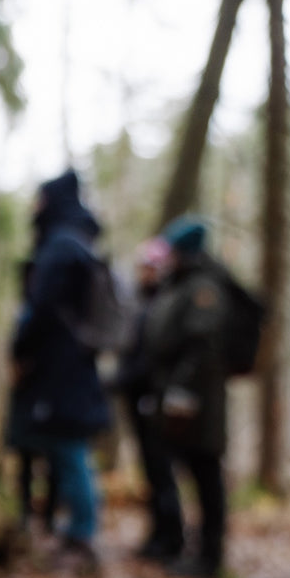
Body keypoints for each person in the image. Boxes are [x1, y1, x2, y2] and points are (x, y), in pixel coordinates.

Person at [4, 169, 112, 564]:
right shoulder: (76, 243)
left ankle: (82, 535)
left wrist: (21, 347)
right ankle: (77, 531)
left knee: (69, 449)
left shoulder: (62, 247)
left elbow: (42, 307)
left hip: (60, 370)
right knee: (68, 449)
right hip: (70, 368)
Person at [144, 215, 232, 578]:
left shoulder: (204, 287)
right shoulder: (181, 284)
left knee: (206, 475)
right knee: (187, 472)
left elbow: (201, 346)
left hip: (200, 404)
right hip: (179, 398)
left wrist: (181, 393)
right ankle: (185, 545)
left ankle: (210, 557)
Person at [112, 236, 184, 561]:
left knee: (162, 471)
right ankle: (158, 536)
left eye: (151, 267)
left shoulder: (164, 306)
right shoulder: (141, 304)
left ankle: (171, 539)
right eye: (143, 267)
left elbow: (149, 361)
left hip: (154, 401)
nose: (146, 273)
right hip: (139, 398)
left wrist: (116, 382)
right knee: (152, 472)